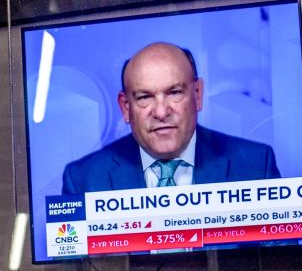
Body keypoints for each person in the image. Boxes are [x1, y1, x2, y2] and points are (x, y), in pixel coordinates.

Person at [61, 42, 280, 193]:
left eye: (174, 93)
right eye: (145, 97)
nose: (161, 112)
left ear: (197, 95)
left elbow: (276, 260)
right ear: (125, 107)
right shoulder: (83, 179)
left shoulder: (256, 165)